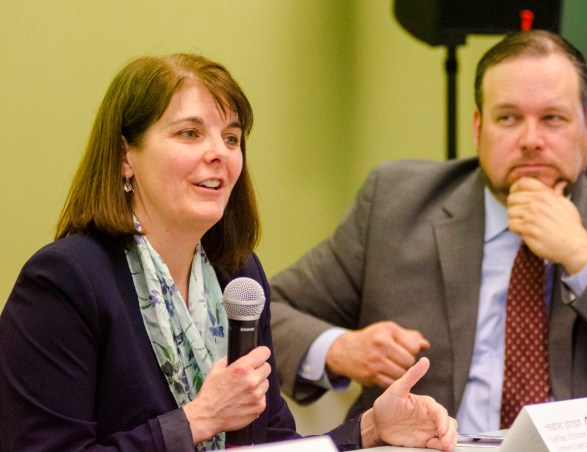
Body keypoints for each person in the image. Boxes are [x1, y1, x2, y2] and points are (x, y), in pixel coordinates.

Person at [269, 30, 587, 433]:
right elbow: (270, 309)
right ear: (478, 127)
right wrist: (339, 349)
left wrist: (585, 258)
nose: (529, 140)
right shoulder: (395, 205)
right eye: (508, 118)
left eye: (552, 119)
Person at [0, 53, 457, 452]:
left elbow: (273, 444)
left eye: (232, 138)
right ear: (126, 157)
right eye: (189, 134)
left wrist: (371, 429)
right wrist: (200, 420)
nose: (219, 153)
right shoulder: (65, 281)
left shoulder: (236, 277)